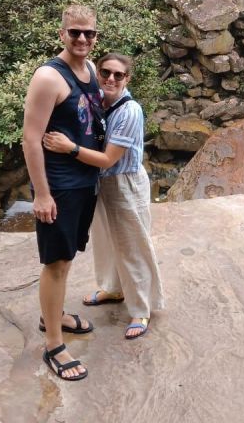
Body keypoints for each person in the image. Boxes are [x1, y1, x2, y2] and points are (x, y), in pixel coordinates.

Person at [43, 52, 165, 341]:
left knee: (132, 246)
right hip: (102, 183)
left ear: (127, 79)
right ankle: (113, 287)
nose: (110, 78)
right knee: (107, 241)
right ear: (98, 73)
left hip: (124, 183)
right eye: (105, 72)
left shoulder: (129, 111)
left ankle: (141, 309)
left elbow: (109, 159)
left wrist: (69, 148)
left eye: (118, 75)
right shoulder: (100, 99)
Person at [23, 4, 104, 381]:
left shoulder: (89, 70)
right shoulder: (48, 77)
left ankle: (51, 316)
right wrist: (42, 194)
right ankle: (54, 345)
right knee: (55, 263)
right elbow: (30, 138)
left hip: (84, 182)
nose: (83, 39)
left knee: (66, 257)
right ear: (62, 34)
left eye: (89, 33)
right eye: (75, 32)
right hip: (60, 185)